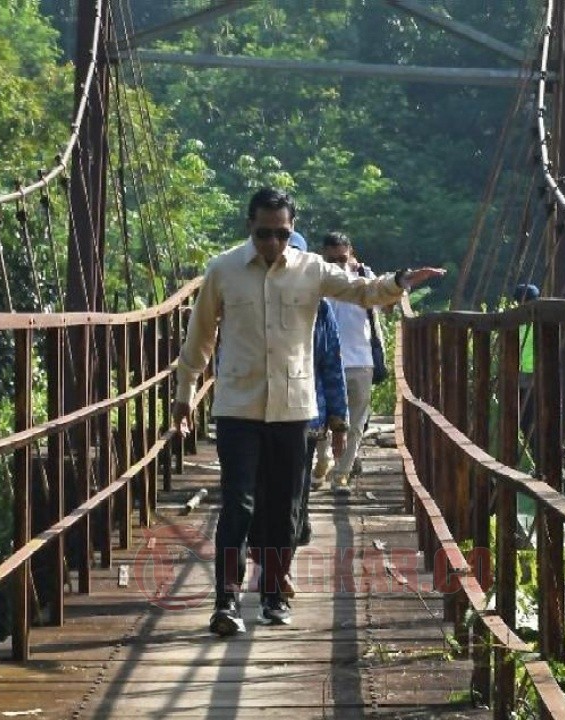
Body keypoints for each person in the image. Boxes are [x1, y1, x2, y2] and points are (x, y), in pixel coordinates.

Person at [172, 187, 445, 637]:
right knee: (238, 503)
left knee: (285, 506)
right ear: (249, 227)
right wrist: (185, 390)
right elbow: (200, 335)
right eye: (264, 234)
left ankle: (274, 594)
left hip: (294, 408)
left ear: (292, 230)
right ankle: (226, 600)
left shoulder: (312, 269)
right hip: (239, 406)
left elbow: (363, 292)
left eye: (282, 234)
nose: (273, 244)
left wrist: (401, 282)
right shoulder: (223, 270)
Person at [248, 234, 349, 601]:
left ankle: (280, 571)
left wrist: (338, 421)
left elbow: (331, 362)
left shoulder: (320, 308)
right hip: (255, 415)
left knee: (293, 501)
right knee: (260, 497)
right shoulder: (251, 302)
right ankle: (264, 566)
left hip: (304, 418)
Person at [321, 231, 387, 496]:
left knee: (356, 422)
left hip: (360, 359)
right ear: (322, 258)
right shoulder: (316, 279)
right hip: (325, 361)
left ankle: (341, 473)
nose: (338, 265)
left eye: (342, 258)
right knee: (321, 420)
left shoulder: (364, 279)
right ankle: (325, 461)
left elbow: (388, 301)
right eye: (332, 260)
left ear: (351, 254)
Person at [512, 283, 540, 462]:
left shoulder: (515, 322)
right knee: (534, 421)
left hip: (524, 377)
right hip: (537, 376)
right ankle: (540, 460)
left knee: (526, 421)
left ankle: (537, 458)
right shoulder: (540, 322)